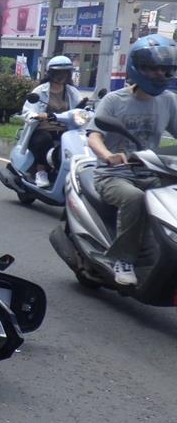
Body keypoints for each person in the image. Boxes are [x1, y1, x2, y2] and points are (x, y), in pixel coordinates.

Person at [87, 34, 177, 286]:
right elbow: (94, 136)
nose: (159, 74)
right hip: (113, 175)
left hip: (152, 172)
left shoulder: (169, 101)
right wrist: (108, 156)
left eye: (164, 69)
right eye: (151, 68)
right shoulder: (115, 101)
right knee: (135, 198)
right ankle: (123, 259)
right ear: (137, 68)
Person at [23, 55, 84, 188]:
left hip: (65, 130)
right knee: (44, 140)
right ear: (51, 73)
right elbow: (28, 111)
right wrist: (37, 115)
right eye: (58, 72)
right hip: (43, 129)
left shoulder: (72, 92)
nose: (61, 76)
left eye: (65, 72)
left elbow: (81, 108)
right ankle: (41, 171)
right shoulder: (40, 90)